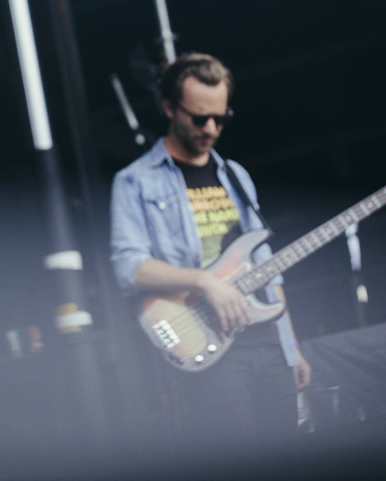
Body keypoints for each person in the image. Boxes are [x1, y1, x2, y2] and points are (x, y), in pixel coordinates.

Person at [109, 52, 311, 456]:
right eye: (199, 118)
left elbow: (269, 269)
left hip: (268, 341)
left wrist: (292, 348)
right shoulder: (134, 181)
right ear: (169, 107)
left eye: (220, 118)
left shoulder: (235, 174)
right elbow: (128, 266)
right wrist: (203, 281)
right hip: (210, 342)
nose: (211, 128)